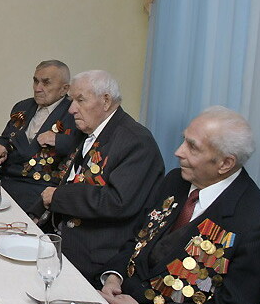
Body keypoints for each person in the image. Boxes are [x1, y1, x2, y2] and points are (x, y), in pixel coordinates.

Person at [100, 106, 260, 304]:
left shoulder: (256, 220)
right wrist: (115, 276)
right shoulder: (175, 180)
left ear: (225, 163)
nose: (178, 152)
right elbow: (137, 238)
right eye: (183, 140)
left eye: (192, 147)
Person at [36, 70, 164, 280]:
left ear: (106, 101)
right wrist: (35, 213)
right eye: (71, 100)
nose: (71, 109)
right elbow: (70, 179)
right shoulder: (91, 130)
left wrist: (58, 197)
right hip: (59, 239)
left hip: (94, 258)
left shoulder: (136, 141)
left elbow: (116, 201)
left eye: (80, 100)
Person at [0, 60, 81, 213]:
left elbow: (83, 147)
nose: (37, 88)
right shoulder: (23, 107)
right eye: (36, 81)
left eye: (46, 83)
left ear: (64, 89)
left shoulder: (74, 112)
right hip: (6, 181)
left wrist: (58, 140)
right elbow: (9, 136)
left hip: (38, 190)